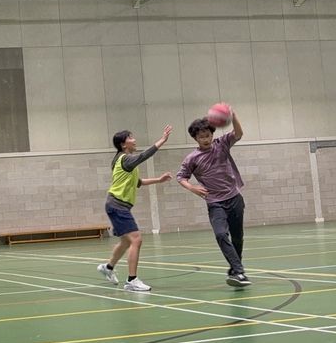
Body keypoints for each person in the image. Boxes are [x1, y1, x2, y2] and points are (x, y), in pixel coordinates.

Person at [176, 107, 251, 288]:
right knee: (220, 234)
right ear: (195, 138)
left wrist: (233, 115)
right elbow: (181, 177)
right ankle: (239, 271)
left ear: (212, 134)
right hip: (215, 203)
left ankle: (235, 269)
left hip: (234, 197)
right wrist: (192, 188)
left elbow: (239, 133)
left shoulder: (222, 144)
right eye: (201, 137)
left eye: (208, 135)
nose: (206, 139)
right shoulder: (192, 158)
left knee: (238, 237)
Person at [97, 125, 174, 292]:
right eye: (130, 138)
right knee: (136, 239)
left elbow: (138, 182)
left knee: (126, 241)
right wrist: (162, 140)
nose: (134, 140)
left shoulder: (123, 161)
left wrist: (159, 180)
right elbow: (144, 155)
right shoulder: (126, 159)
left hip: (115, 205)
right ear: (123, 144)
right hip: (118, 205)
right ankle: (132, 280)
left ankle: (108, 268)